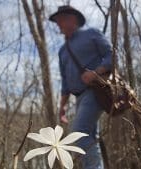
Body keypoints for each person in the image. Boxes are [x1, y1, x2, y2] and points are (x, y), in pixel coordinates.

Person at [49, 5, 112, 169]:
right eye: (56, 22)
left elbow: (112, 55)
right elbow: (65, 81)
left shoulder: (91, 34)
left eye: (60, 20)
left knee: (78, 133)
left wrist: (96, 72)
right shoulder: (62, 51)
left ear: (72, 19)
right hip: (79, 98)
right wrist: (62, 106)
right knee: (89, 135)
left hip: (95, 91)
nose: (58, 24)